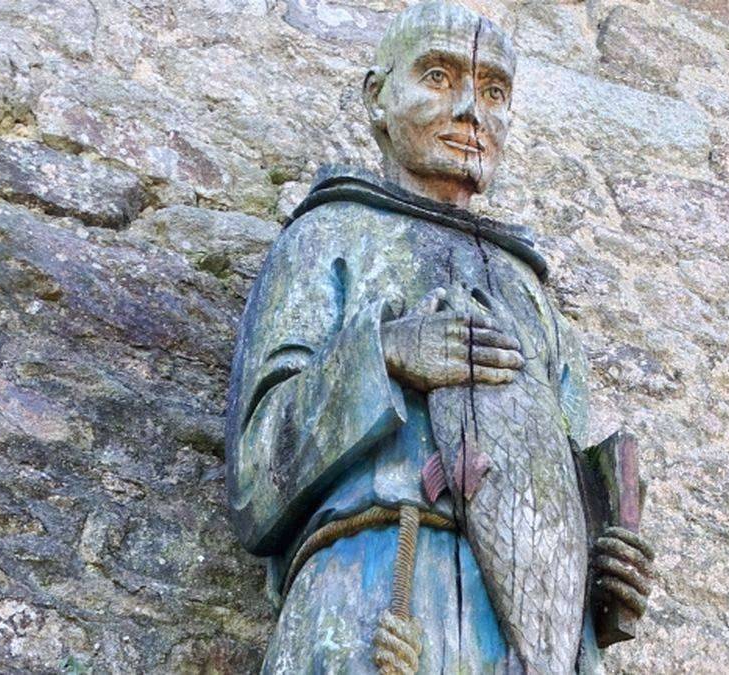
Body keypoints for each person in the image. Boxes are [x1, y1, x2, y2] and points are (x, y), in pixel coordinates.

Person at [225, 2, 654, 672]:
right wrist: (386, 354)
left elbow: (553, 508)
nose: (470, 111)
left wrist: (603, 575)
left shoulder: (531, 296)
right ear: (376, 97)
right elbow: (257, 480)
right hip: (373, 588)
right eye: (437, 76)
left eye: (493, 92)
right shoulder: (328, 238)